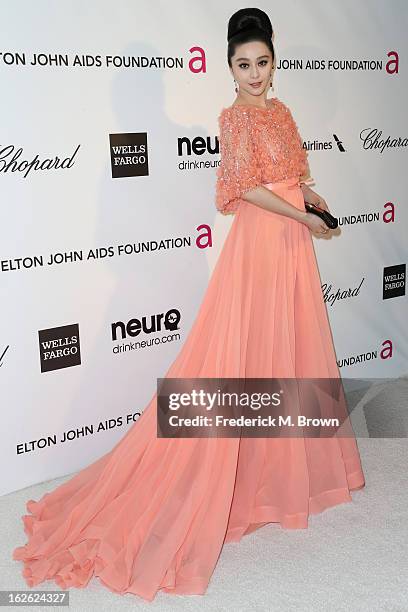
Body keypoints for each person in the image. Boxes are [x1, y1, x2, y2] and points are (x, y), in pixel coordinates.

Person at [12, 7, 365, 602]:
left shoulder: (282, 111)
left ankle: (278, 477)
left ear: (275, 62)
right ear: (228, 67)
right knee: (241, 354)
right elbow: (243, 187)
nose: (254, 74)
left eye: (262, 62)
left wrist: (310, 196)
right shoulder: (232, 119)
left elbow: (286, 173)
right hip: (260, 241)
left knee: (289, 350)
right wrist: (297, 212)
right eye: (242, 64)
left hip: (292, 242)